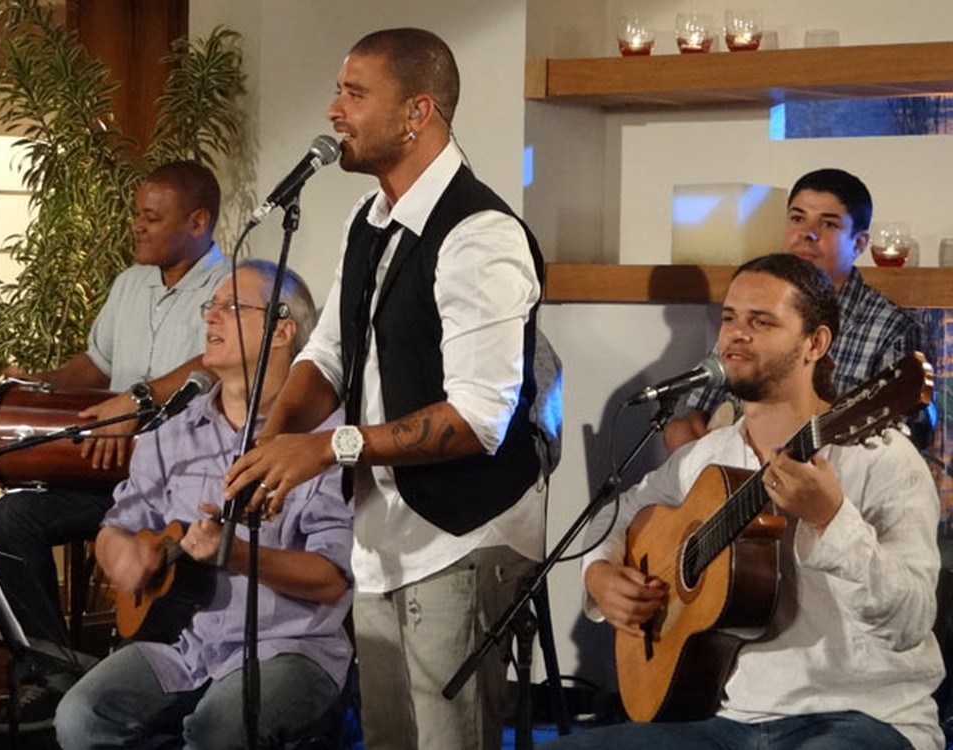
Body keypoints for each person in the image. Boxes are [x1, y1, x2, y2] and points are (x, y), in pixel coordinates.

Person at [223, 28, 546, 750]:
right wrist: (271, 439)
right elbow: (330, 354)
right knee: (390, 738)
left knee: (446, 741)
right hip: (387, 531)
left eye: (354, 93)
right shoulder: (367, 221)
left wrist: (323, 449)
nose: (334, 111)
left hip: (462, 534)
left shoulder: (480, 235)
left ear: (416, 112)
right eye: (339, 91)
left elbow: (480, 417)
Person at [540, 253, 944, 750]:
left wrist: (830, 518)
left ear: (815, 343)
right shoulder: (708, 456)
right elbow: (615, 513)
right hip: (730, 721)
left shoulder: (882, 459)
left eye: (761, 321)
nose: (735, 334)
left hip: (864, 717)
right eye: (729, 317)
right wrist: (598, 575)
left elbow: (910, 621)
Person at [54, 260, 352, 749]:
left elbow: (332, 577)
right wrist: (120, 555)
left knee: (218, 729)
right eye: (209, 306)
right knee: (82, 716)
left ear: (282, 332)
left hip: (291, 648)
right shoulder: (170, 436)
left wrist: (237, 556)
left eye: (230, 308)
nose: (209, 319)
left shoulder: (320, 442)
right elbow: (117, 527)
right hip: (181, 644)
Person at [0, 160, 230, 650]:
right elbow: (97, 363)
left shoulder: (232, 289)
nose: (136, 226)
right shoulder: (128, 284)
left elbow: (217, 365)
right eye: (135, 214)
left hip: (179, 486)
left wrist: (139, 400)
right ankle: (53, 664)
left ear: (198, 222)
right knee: (12, 517)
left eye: (151, 217)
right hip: (108, 475)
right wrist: (42, 383)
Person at [663, 168, 926, 454]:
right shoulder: (750, 309)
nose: (807, 233)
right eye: (797, 218)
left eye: (828, 224)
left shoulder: (891, 330)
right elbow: (694, 416)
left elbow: (897, 446)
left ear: (859, 244)